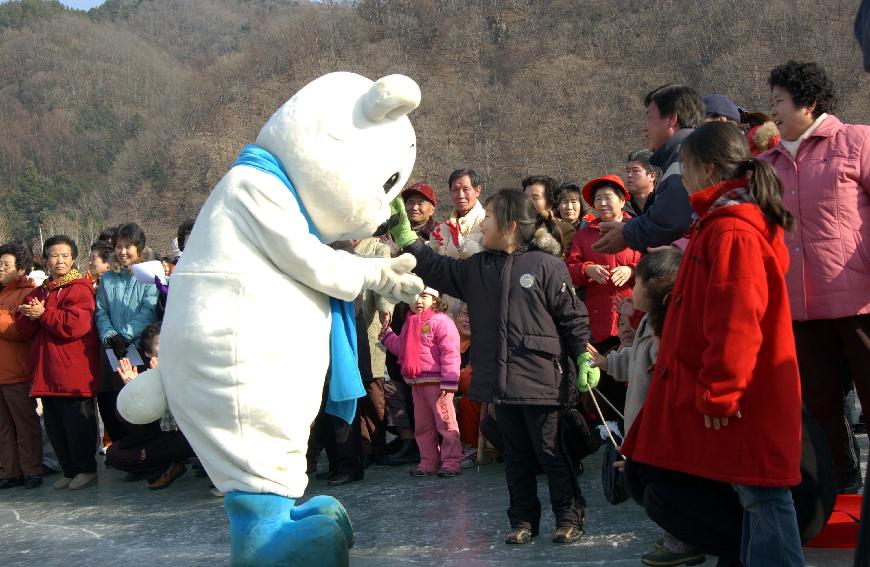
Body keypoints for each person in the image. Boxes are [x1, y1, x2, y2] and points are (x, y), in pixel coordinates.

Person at [622, 122, 804, 567]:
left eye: (682, 170)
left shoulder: (733, 230)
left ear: (705, 169)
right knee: (752, 496)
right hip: (746, 391)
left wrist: (721, 391)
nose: (680, 181)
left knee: (763, 496)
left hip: (745, 394)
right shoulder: (722, 223)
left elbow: (735, 321)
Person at [388, 188, 595, 545]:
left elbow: (572, 318)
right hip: (501, 381)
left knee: (551, 452)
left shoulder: (546, 265)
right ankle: (522, 520)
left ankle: (569, 515)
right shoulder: (478, 268)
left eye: (490, 217)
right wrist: (406, 236)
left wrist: (582, 357)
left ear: (510, 225)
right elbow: (436, 267)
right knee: (514, 456)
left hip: (542, 379)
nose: (482, 223)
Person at [760, 60, 870, 493]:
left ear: (809, 102)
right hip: (798, 306)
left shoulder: (856, 141)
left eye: (780, 102)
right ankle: (838, 489)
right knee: (818, 405)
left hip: (859, 297)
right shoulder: (767, 163)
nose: (774, 113)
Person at [587, 248, 702, 567]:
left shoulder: (668, 333)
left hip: (662, 431)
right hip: (644, 427)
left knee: (667, 485)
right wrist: (605, 361)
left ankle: (681, 540)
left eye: (637, 283)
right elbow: (633, 358)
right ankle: (673, 535)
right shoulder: (647, 325)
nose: (632, 290)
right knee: (656, 484)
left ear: (658, 288)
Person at [15, 235, 101, 490]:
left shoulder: (79, 288)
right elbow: (22, 329)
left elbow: (76, 325)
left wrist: (44, 314)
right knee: (55, 425)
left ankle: (86, 469)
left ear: (73, 259)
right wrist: (30, 316)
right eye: (54, 255)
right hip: (47, 370)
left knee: (77, 424)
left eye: (65, 255)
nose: (59, 260)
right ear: (45, 260)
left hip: (73, 370)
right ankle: (69, 469)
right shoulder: (40, 291)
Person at [565, 176, 641, 417]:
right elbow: (570, 269)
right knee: (602, 381)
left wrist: (631, 270)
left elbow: (656, 266)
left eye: (607, 197)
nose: (602, 203)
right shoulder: (585, 235)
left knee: (633, 378)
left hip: (632, 318)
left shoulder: (638, 230)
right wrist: (586, 268)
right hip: (597, 320)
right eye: (597, 199)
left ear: (621, 200)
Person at [595, 84, 702, 254]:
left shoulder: (684, 157)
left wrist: (627, 233)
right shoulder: (693, 150)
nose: (645, 128)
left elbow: (671, 219)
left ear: (672, 119)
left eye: (649, 118)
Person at [382, 182, 440, 466]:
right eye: (410, 203)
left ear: (432, 207)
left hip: (428, 317)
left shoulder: (438, 235)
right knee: (398, 377)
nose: (414, 207)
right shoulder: (389, 234)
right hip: (400, 315)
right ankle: (409, 439)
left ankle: (431, 443)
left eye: (421, 202)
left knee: (427, 380)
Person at [381, 288, 462, 477]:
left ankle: (451, 462)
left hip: (438, 383)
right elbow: (402, 348)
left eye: (424, 296)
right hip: (417, 383)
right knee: (423, 425)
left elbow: (450, 352)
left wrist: (450, 379)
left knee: (445, 423)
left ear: (435, 299)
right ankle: (428, 462)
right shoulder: (410, 323)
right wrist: (387, 336)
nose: (418, 300)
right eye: (414, 297)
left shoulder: (441, 321)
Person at [106, 322, 194, 489]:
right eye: (160, 344)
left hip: (190, 435)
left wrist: (167, 383)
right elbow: (134, 426)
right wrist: (132, 390)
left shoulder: (189, 370)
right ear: (147, 353)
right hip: (163, 438)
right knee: (114, 453)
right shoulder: (145, 378)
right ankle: (165, 469)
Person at [95, 223, 159, 444]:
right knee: (119, 401)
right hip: (116, 350)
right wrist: (110, 336)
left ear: (139, 247)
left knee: (146, 399)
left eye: (128, 246)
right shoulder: (108, 278)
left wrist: (125, 334)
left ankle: (151, 448)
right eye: (118, 246)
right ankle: (130, 449)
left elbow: (148, 309)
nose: (123, 252)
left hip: (141, 348)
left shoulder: (149, 273)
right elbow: (101, 311)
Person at [0, 242, 42, 489]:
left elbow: (20, 331)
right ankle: (10, 471)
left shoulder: (28, 294)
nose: (1, 269)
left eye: (6, 265)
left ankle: (32, 470)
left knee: (25, 425)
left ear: (21, 269)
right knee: (3, 428)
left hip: (16, 371)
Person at [428, 168, 485, 260]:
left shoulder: (490, 223)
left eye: (466, 189)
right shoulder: (443, 228)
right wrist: (434, 247)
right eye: (455, 190)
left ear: (477, 191)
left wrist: (462, 245)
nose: (460, 195)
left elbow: (493, 262)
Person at [522, 175, 576, 256]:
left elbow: (566, 263)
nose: (528, 202)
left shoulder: (564, 229)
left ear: (550, 203)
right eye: (526, 197)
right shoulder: (514, 227)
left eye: (535, 197)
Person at [624, 149, 661, 214]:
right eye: (628, 171)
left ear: (652, 176)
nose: (629, 175)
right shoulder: (620, 205)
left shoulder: (665, 200)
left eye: (635, 171)